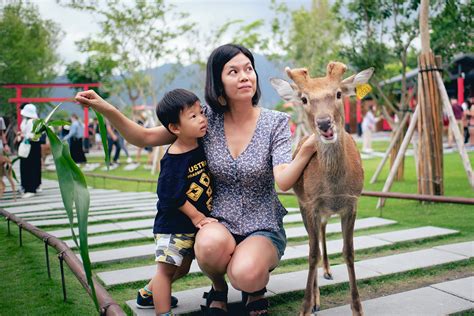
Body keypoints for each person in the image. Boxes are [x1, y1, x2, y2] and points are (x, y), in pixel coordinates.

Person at [75, 43, 316, 315]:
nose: (245, 76)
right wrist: (106, 108)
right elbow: (143, 137)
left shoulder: (276, 122)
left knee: (246, 274)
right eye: (233, 71)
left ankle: (253, 284)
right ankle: (218, 287)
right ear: (218, 82)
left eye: (249, 69)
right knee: (209, 246)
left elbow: (283, 180)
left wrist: (306, 150)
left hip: (262, 223)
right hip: (217, 221)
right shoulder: (203, 120)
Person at [17, 104, 42, 198]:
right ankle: (29, 186)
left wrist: (24, 135)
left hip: (31, 145)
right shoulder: (27, 120)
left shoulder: (32, 122)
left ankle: (30, 188)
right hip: (30, 145)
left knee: (29, 166)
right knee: (30, 166)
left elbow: (34, 135)